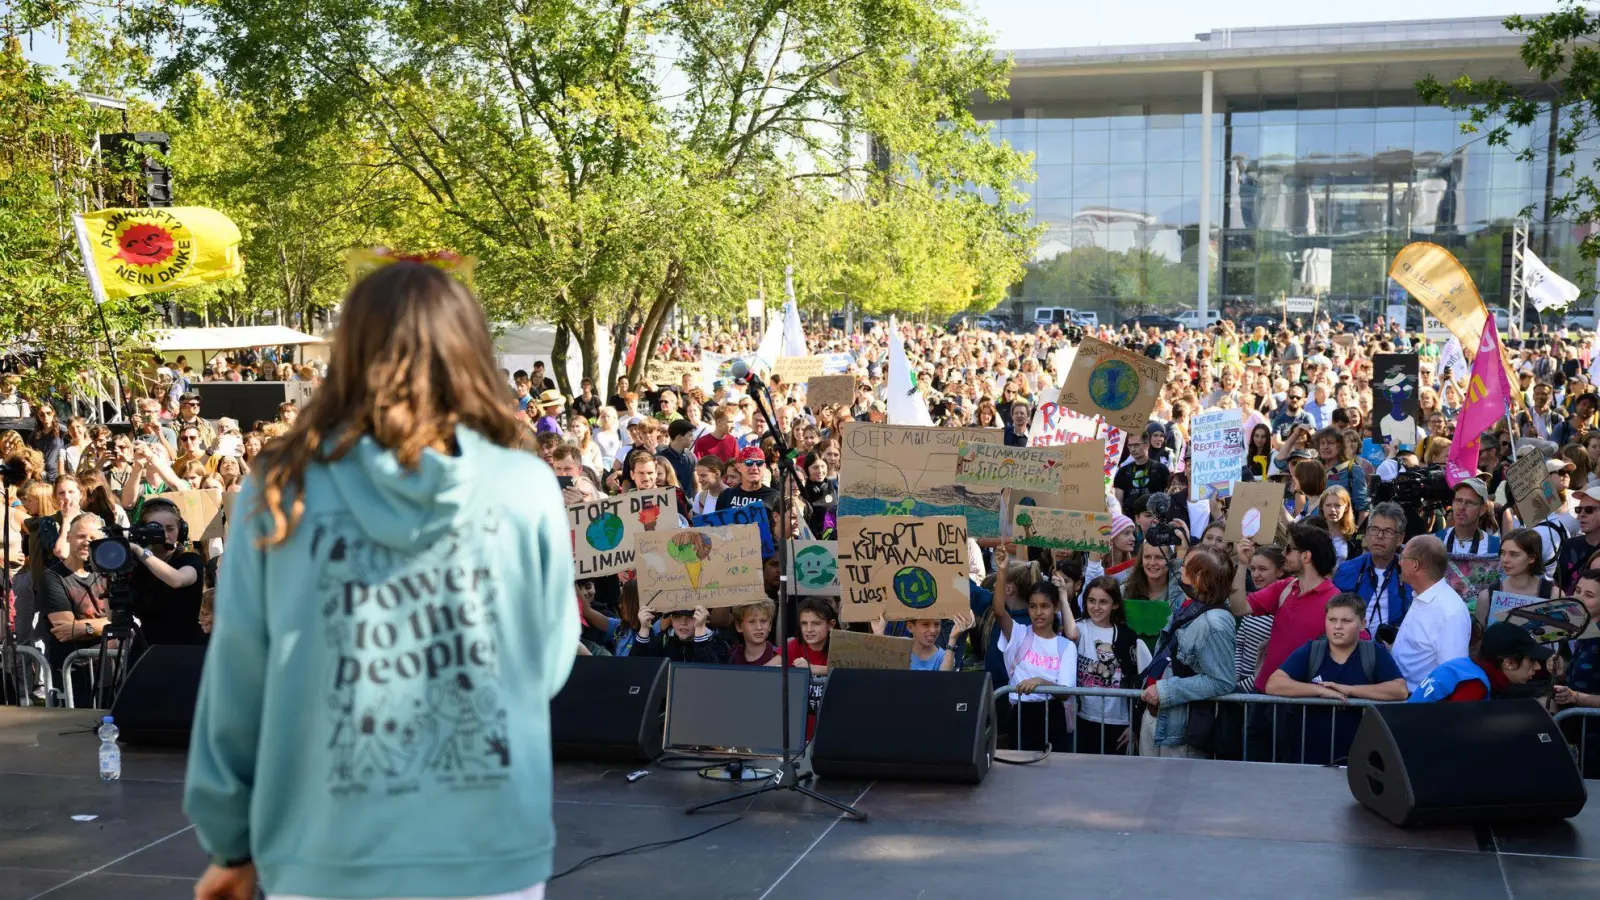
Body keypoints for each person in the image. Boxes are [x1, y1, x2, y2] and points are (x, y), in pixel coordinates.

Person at [185, 262, 579, 900]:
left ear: (353, 353)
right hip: (489, 842)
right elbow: (549, 659)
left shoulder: (281, 486)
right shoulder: (525, 484)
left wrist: (229, 837)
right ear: (469, 352)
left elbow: (238, 672)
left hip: (326, 844)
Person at [1264, 593, 1408, 764]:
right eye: (1332, 620)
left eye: (1346, 621)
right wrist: (1320, 690)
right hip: (1307, 757)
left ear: (1362, 625)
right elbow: (1274, 683)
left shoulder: (1374, 652)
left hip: (1360, 759)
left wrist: (1348, 689)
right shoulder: (1312, 650)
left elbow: (1399, 690)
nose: (1337, 626)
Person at [1140, 547, 1236, 758]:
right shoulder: (1190, 605)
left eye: (1185, 565)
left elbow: (1222, 681)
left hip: (1179, 728)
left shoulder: (1214, 623)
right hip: (1157, 716)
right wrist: (1181, 547)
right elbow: (1175, 594)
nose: (1180, 567)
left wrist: (1165, 691)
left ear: (1199, 576)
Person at [1230, 523, 1340, 694]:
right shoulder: (1284, 587)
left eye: (1288, 548)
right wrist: (1243, 564)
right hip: (1262, 691)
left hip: (1302, 701)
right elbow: (1238, 607)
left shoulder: (1336, 601)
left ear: (1306, 556)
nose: (1283, 554)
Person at [992, 543, 1077, 752]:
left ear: (1055, 608)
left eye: (1045, 606)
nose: (1038, 612)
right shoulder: (1019, 634)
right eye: (1033, 606)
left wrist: (1040, 682)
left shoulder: (1066, 646)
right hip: (1021, 716)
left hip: (1053, 717)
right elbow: (999, 611)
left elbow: (1066, 692)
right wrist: (1002, 572)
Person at [1069, 575, 1150, 754]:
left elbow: (1142, 683)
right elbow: (1070, 633)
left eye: (1103, 602)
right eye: (1091, 600)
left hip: (1119, 723)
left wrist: (1134, 726)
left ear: (1115, 605)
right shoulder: (1078, 628)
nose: (1096, 607)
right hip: (1083, 719)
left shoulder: (1128, 637)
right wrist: (1061, 593)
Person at [1390, 535, 1472, 691]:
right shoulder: (1421, 596)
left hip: (1422, 704)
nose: (1399, 562)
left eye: (1402, 557)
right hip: (1404, 700)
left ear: (1415, 565)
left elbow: (1451, 674)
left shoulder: (1450, 611)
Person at [1410, 622, 1552, 702]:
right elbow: (1458, 735)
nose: (1538, 667)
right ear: (1509, 663)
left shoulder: (1464, 665)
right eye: (1532, 661)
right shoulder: (1474, 685)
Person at [1435, 478, 1500, 558]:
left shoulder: (1495, 547)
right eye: (1458, 500)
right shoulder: (1435, 541)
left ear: (1483, 509)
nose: (1462, 507)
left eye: (1469, 503)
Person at [633, 606, 725, 663]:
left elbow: (712, 675)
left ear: (703, 618)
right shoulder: (663, 639)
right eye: (677, 616)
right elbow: (637, 667)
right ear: (671, 618)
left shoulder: (716, 641)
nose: (683, 622)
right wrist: (644, 629)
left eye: (690, 617)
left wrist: (700, 635)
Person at [715, 446, 781, 510]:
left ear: (764, 467)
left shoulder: (776, 497)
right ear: (738, 467)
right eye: (749, 463)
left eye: (759, 463)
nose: (754, 468)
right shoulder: (726, 496)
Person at [1113, 431, 1169, 506]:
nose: (1132, 449)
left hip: (1154, 516)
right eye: (1130, 445)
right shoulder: (1123, 471)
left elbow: (1169, 497)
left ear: (1147, 445)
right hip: (1128, 516)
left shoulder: (1161, 469)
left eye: (1136, 445)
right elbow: (1118, 503)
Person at [728, 599, 779, 666]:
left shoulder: (778, 656)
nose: (759, 627)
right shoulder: (732, 656)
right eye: (752, 622)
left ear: (770, 625)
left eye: (763, 621)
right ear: (739, 626)